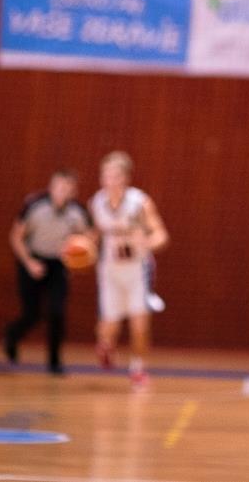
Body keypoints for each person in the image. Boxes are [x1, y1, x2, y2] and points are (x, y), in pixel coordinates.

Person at [89, 150, 169, 390]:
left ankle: (138, 369)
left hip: (137, 271)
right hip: (110, 270)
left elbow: (162, 235)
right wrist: (81, 246)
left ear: (125, 178)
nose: (110, 181)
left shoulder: (140, 203)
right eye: (106, 176)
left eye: (115, 176)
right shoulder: (97, 202)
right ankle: (106, 347)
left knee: (139, 325)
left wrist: (146, 242)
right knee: (107, 328)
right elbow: (94, 234)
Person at [4, 169, 93, 375]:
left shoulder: (77, 212)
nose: (63, 191)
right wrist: (29, 263)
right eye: (60, 187)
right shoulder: (35, 206)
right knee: (32, 314)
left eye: (68, 188)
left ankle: (54, 362)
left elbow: (91, 237)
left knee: (56, 311)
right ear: (51, 187)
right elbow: (16, 237)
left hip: (58, 265)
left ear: (74, 191)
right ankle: (12, 335)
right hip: (33, 260)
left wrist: (77, 252)